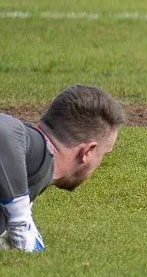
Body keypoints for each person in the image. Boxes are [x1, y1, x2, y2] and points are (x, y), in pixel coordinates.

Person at [1, 85, 125, 252]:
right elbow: (4, 130)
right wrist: (20, 219)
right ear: (87, 152)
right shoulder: (37, 152)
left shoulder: (29, 172)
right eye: (103, 154)